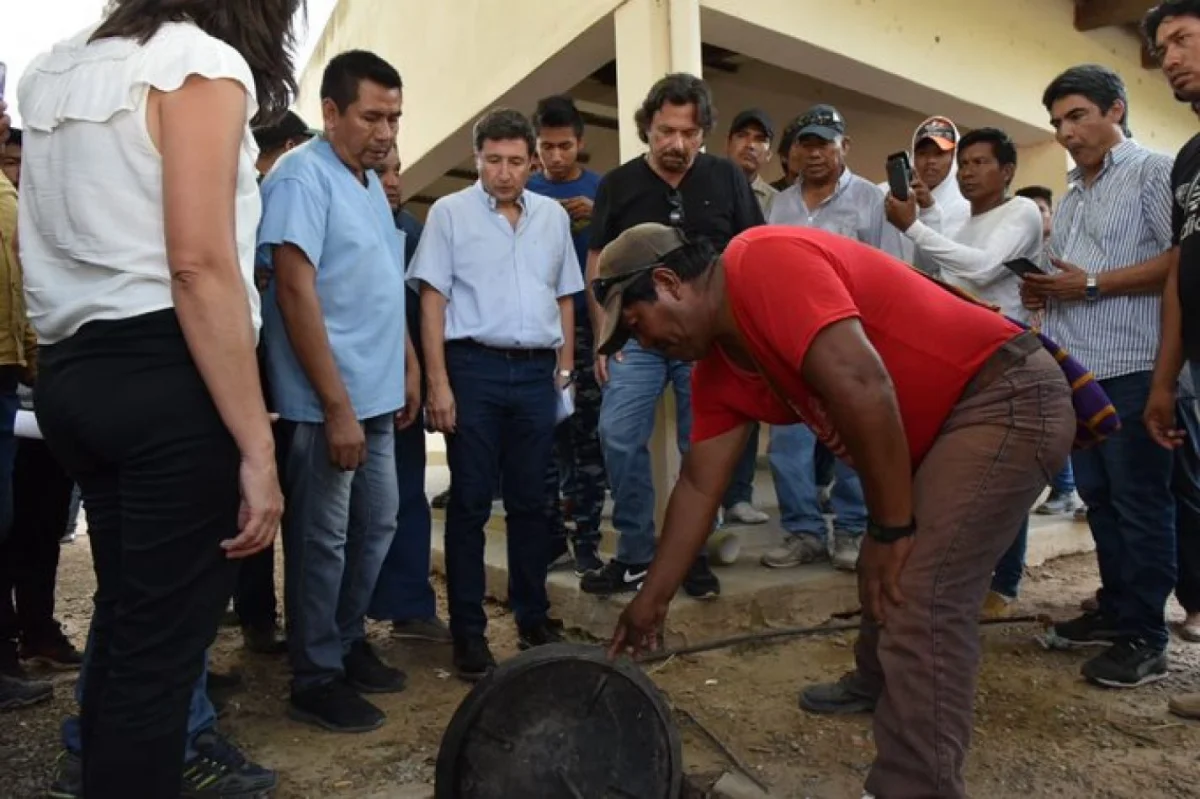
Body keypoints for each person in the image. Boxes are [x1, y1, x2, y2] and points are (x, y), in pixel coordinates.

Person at [598, 223, 1075, 799]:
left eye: (636, 325)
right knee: (887, 566)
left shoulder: (761, 262)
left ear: (669, 282)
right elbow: (699, 485)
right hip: (936, 430)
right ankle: (881, 682)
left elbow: (862, 383)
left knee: (919, 591)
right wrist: (651, 601)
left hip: (1003, 398)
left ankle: (914, 785)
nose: (643, 344)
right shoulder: (718, 370)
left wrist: (890, 528)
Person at [16, 0, 295, 793]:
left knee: (130, 627)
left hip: (74, 371)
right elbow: (198, 264)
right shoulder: (196, 62)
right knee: (158, 665)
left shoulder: (54, 69)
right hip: (167, 375)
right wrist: (258, 446)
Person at [259, 49, 418, 731]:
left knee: (377, 523)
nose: (386, 132)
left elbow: (381, 279)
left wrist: (408, 361)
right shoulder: (302, 177)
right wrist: (335, 406)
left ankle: (347, 642)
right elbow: (294, 292)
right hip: (328, 402)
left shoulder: (368, 182)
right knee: (321, 541)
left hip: (377, 395)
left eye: (394, 118)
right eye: (372, 117)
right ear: (331, 112)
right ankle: (315, 673)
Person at [409, 108, 580, 680]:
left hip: (536, 374)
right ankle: (469, 634)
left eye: (515, 161)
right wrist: (438, 382)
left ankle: (533, 618)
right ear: (476, 159)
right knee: (470, 502)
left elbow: (565, 294)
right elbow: (432, 300)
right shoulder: (449, 213)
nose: (504, 173)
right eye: (493, 160)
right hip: (473, 369)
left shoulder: (552, 217)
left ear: (532, 162)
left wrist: (565, 370)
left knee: (533, 503)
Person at [581, 73, 762, 598]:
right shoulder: (618, 184)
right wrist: (605, 336)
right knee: (617, 434)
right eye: (666, 132)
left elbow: (751, 248)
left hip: (707, 345)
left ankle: (693, 555)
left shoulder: (727, 178)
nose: (677, 144)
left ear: (703, 133)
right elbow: (598, 263)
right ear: (648, 128)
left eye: (689, 133)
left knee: (702, 445)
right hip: (636, 339)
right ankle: (636, 555)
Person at [1025, 63, 1177, 688]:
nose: (1066, 131)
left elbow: (1180, 260)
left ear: (1115, 110)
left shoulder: (1153, 171)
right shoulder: (1073, 193)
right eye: (1057, 121)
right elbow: (1073, 273)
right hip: (1079, 372)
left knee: (1141, 504)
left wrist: (1088, 284)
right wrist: (1046, 290)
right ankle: (1117, 611)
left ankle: (1148, 636)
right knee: (1101, 502)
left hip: (1135, 365)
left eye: (1077, 115)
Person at [367, 142, 452, 644]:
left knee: (405, 499)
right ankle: (334, 629)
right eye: (381, 171)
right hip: (340, 394)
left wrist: (422, 376)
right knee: (338, 517)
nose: (394, 181)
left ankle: (410, 609)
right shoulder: (333, 223)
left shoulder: (413, 233)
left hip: (402, 396)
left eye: (397, 170)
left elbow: (428, 313)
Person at [1143, 0, 1200, 719]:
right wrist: (1165, 380)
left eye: (1183, 38)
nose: (1172, 58)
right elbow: (1183, 270)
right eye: (1162, 50)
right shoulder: (1189, 159)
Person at [527, 95, 607, 575]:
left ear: (580, 142)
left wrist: (599, 215)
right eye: (547, 147)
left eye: (565, 146)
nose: (556, 157)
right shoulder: (524, 190)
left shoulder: (602, 190)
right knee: (541, 439)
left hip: (587, 329)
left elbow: (623, 249)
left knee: (587, 441)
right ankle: (552, 538)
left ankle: (589, 541)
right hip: (537, 332)